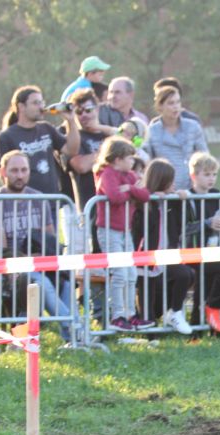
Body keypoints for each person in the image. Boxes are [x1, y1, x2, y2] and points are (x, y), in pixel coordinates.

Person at [0, 151, 73, 341]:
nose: (19, 175)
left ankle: (70, 335)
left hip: (40, 259)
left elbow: (49, 237)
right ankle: (75, 329)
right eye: (14, 170)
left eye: (24, 170)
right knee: (42, 284)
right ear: (3, 172)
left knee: (67, 280)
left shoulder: (38, 197)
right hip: (14, 266)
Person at [93, 137, 154, 332]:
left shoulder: (128, 176)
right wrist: (131, 193)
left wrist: (130, 188)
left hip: (124, 231)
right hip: (109, 230)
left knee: (131, 273)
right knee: (119, 273)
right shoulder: (107, 174)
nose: (132, 162)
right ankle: (117, 315)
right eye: (129, 158)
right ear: (117, 159)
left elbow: (145, 195)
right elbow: (114, 196)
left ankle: (130, 314)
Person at [0, 86, 81, 219]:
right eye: (35, 103)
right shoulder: (7, 136)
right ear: (21, 107)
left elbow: (72, 150)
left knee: (50, 240)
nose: (41, 107)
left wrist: (71, 121)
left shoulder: (46, 128)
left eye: (41, 102)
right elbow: (2, 173)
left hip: (50, 203)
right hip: (24, 206)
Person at [133, 159, 196, 333]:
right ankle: (150, 333)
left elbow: (186, 221)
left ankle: (174, 312)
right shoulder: (143, 202)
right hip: (146, 257)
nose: (174, 185)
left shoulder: (171, 201)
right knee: (147, 295)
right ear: (161, 181)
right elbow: (142, 227)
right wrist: (151, 199)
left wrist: (181, 200)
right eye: (171, 181)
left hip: (167, 255)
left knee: (186, 274)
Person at [186, 152, 220, 333]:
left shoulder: (216, 195)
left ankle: (197, 331)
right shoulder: (186, 198)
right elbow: (184, 229)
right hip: (191, 252)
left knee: (205, 285)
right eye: (206, 174)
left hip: (212, 250)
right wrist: (207, 223)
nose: (211, 179)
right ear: (194, 176)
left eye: (214, 174)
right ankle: (213, 308)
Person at [143, 86, 208, 190]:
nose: (176, 107)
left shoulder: (193, 127)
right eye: (171, 103)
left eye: (178, 102)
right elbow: (146, 160)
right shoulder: (151, 131)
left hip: (190, 189)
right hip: (163, 190)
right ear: (160, 106)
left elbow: (204, 157)